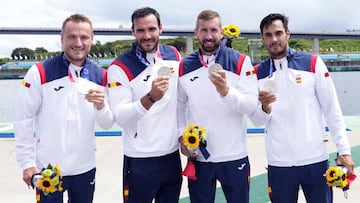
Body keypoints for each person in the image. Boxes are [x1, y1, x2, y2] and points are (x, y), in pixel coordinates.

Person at [251, 13, 355, 203]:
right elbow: (257, 121)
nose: (274, 39)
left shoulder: (313, 64)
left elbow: (332, 110)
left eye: (278, 33)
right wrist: (265, 106)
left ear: (288, 34)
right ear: (262, 38)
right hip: (279, 163)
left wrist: (344, 150)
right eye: (268, 35)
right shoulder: (257, 73)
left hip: (315, 160)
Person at [13, 14, 114, 203]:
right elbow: (23, 120)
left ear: (92, 39)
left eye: (84, 37)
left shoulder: (101, 76)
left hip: (84, 168)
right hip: (48, 169)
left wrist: (101, 106)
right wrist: (27, 163)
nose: (78, 42)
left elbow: (107, 123)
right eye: (72, 37)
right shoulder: (40, 72)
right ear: (62, 38)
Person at [177, 10, 258, 203]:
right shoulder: (184, 65)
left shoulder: (240, 61)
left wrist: (226, 91)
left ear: (221, 32)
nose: (209, 35)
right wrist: (181, 136)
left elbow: (250, 105)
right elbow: (179, 105)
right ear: (196, 32)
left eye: (213, 30)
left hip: (234, 155)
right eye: (203, 30)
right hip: (200, 157)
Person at [107, 7, 182, 203]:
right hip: (140, 160)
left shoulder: (173, 54)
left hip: (171, 156)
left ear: (160, 29)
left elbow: (182, 100)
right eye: (141, 31)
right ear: (133, 31)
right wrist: (150, 97)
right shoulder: (119, 67)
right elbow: (120, 117)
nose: (147, 35)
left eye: (151, 29)